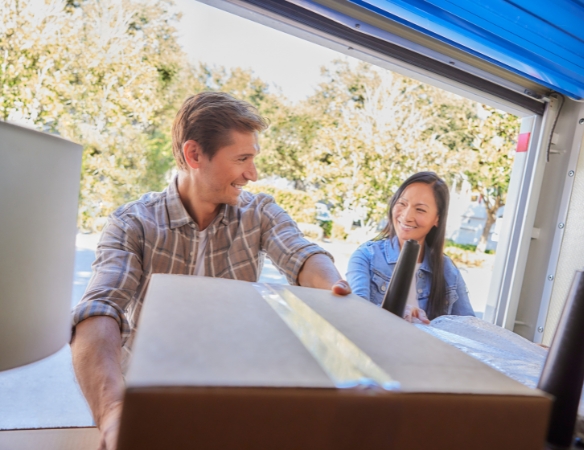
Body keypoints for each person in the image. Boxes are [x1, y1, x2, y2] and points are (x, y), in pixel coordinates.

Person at [70, 92, 351, 450]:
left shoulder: (260, 212)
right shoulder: (133, 224)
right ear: (193, 155)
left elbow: (302, 254)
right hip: (149, 392)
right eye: (242, 159)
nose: (253, 173)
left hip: (230, 386)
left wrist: (334, 285)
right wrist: (112, 411)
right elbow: (99, 309)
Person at [346, 172, 474, 324]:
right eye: (402, 204)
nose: (406, 216)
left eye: (420, 210)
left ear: (437, 219)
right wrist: (393, 312)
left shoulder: (447, 270)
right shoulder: (367, 257)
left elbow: (468, 328)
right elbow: (357, 312)